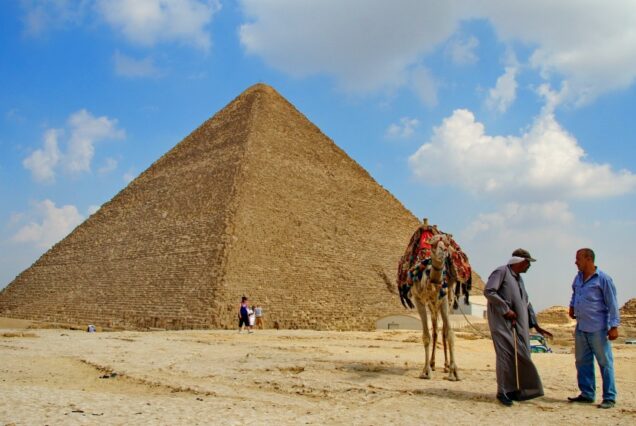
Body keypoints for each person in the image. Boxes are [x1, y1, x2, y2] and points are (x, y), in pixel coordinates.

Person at [484, 248, 552, 406]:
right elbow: (489, 291)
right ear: (520, 261)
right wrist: (506, 310)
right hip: (501, 323)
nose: (529, 266)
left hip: (519, 325)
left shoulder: (519, 279)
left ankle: (519, 389)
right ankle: (503, 392)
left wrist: (535, 323)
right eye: (528, 262)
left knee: (522, 354)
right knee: (505, 356)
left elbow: (526, 302)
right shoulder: (501, 272)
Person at [567, 248, 620, 409]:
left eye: (578, 259)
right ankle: (587, 394)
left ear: (589, 259)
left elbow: (612, 304)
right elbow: (575, 293)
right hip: (581, 327)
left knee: (605, 363)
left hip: (598, 328)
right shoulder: (578, 277)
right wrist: (571, 306)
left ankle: (609, 397)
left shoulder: (603, 279)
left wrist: (614, 326)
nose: (576, 262)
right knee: (582, 362)